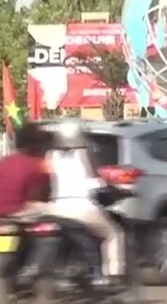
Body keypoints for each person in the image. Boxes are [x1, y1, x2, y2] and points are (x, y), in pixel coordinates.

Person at [45, 119, 126, 286]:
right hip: (83, 208)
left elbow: (47, 179)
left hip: (57, 209)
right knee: (113, 234)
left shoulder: (50, 155)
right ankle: (113, 275)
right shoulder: (84, 153)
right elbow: (94, 180)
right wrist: (114, 189)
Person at [0, 123, 51, 219]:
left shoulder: (3, 162)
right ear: (37, 144)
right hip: (18, 213)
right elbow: (38, 197)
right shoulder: (37, 165)